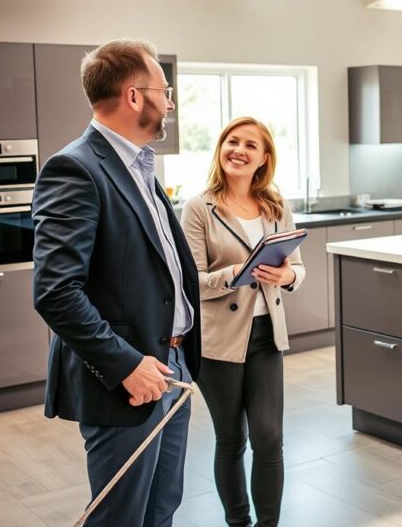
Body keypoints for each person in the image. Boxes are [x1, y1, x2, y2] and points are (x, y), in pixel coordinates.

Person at [32, 38, 201, 527]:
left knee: (161, 509)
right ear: (133, 96)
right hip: (125, 380)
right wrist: (127, 365)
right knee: (120, 518)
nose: (169, 102)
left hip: (170, 367)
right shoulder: (76, 168)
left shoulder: (141, 166)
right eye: (164, 91)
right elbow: (56, 292)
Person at [180, 117, 305, 527]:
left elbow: (297, 268)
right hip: (220, 341)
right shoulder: (199, 208)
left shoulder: (276, 205)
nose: (239, 150)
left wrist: (286, 276)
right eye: (232, 141)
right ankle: (239, 523)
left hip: (268, 335)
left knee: (269, 438)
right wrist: (236, 273)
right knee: (231, 439)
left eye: (250, 145)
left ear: (264, 158)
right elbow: (190, 282)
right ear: (220, 149)